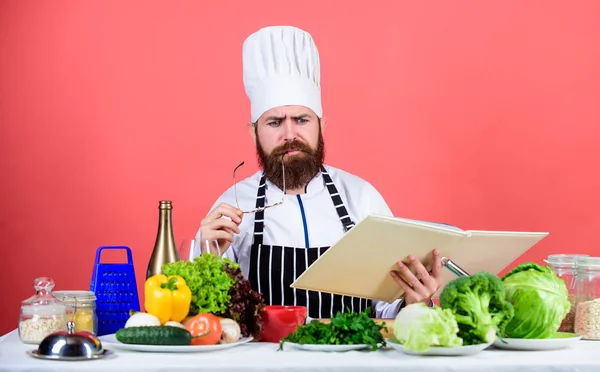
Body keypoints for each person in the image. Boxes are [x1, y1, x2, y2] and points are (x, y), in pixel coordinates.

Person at [194, 25, 442, 319]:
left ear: (321, 126)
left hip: (352, 360)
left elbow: (387, 307)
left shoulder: (361, 198)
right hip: (266, 363)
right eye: (274, 122)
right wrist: (205, 256)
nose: (290, 134)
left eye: (301, 120)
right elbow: (211, 320)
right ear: (254, 133)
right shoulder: (233, 207)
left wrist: (415, 301)